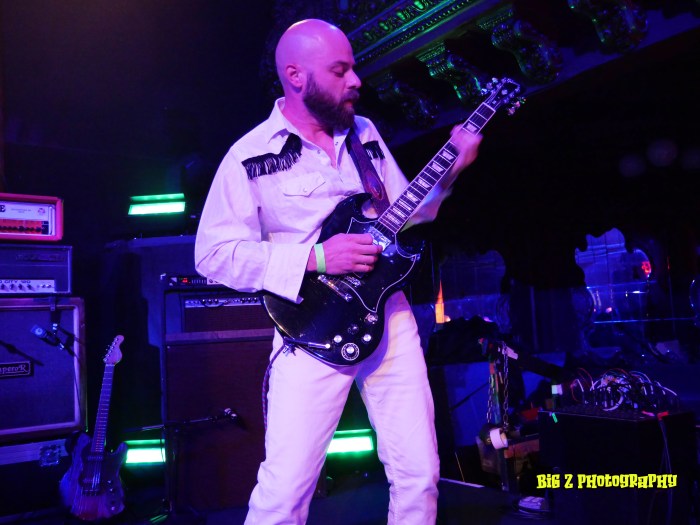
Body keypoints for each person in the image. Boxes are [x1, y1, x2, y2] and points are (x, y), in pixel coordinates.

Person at [194, 18, 482, 525]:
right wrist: (317, 258)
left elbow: (404, 214)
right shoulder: (249, 156)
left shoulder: (364, 134)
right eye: (339, 70)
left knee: (419, 473)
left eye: (353, 68)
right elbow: (213, 255)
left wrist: (453, 167)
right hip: (310, 327)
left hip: (389, 314)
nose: (356, 81)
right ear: (295, 76)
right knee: (285, 491)